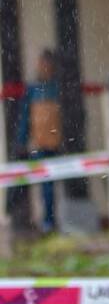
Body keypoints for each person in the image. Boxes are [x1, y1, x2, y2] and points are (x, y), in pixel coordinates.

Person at [15, 49, 62, 233]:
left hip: (55, 142)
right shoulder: (32, 90)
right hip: (40, 143)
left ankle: (52, 220)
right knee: (44, 186)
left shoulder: (57, 88)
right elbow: (26, 117)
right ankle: (46, 221)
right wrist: (21, 140)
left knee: (53, 184)